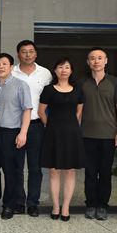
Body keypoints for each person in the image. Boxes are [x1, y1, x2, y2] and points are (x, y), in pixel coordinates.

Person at [80, 47, 117, 221]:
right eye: (92, 58)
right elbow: (78, 110)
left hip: (109, 135)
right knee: (90, 173)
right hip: (87, 135)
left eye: (100, 58)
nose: (96, 61)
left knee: (105, 173)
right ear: (88, 62)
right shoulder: (82, 83)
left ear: (106, 61)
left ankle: (102, 206)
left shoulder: (115, 82)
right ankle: (91, 204)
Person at [0, 53, 32, 220]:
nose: (1, 67)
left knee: (10, 171)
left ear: (11, 67)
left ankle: (9, 205)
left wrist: (23, 133)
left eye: (4, 64)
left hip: (11, 133)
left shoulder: (21, 85)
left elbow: (27, 110)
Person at [38, 58, 85, 221]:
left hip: (72, 134)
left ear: (71, 71)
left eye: (67, 67)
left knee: (70, 171)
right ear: (55, 70)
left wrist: (70, 126)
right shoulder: (48, 90)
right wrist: (51, 125)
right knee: (54, 171)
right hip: (53, 133)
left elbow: (79, 111)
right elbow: (41, 112)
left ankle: (66, 207)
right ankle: (56, 206)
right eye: (60, 67)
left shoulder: (78, 90)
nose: (63, 70)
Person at [10, 40, 52, 217]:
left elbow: (51, 98)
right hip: (15, 126)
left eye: (31, 51)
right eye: (24, 51)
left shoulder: (45, 73)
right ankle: (19, 201)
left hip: (36, 126)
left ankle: (33, 202)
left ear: (36, 53)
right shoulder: (11, 72)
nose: (27, 55)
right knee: (16, 167)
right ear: (18, 54)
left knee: (35, 167)